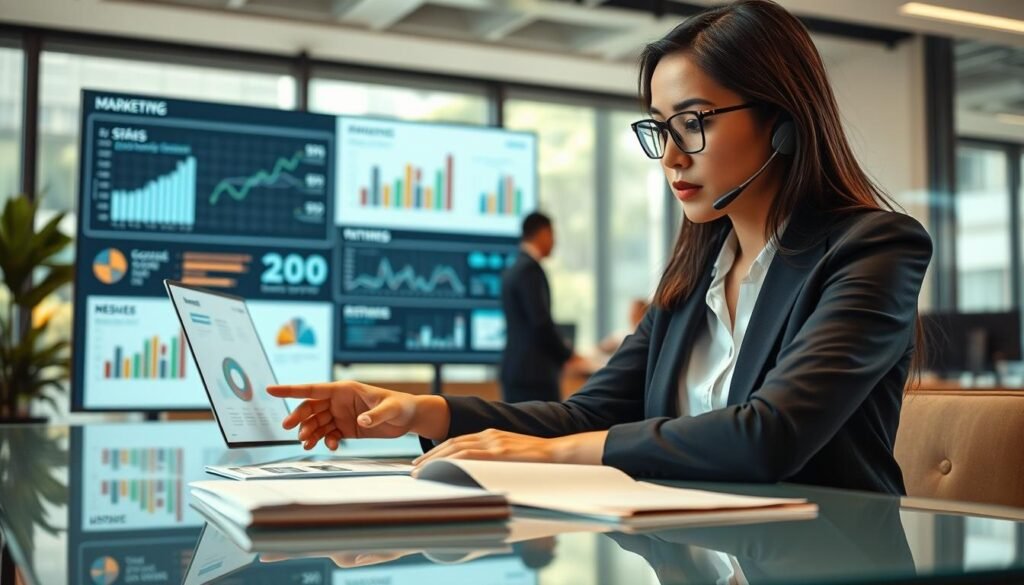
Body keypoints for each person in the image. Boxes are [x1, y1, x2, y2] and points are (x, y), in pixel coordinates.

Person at [268, 0, 932, 495]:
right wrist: (423, 409)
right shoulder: (694, 276)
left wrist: (551, 455)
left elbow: (769, 435)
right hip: (694, 549)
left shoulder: (874, 249)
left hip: (827, 558)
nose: (670, 156)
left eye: (693, 123)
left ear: (782, 122)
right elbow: (591, 412)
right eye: (660, 129)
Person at [500, 212, 578, 403]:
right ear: (542, 233)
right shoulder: (529, 270)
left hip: (518, 372)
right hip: (533, 375)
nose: (554, 241)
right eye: (552, 234)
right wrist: (568, 354)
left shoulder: (514, 268)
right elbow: (540, 323)